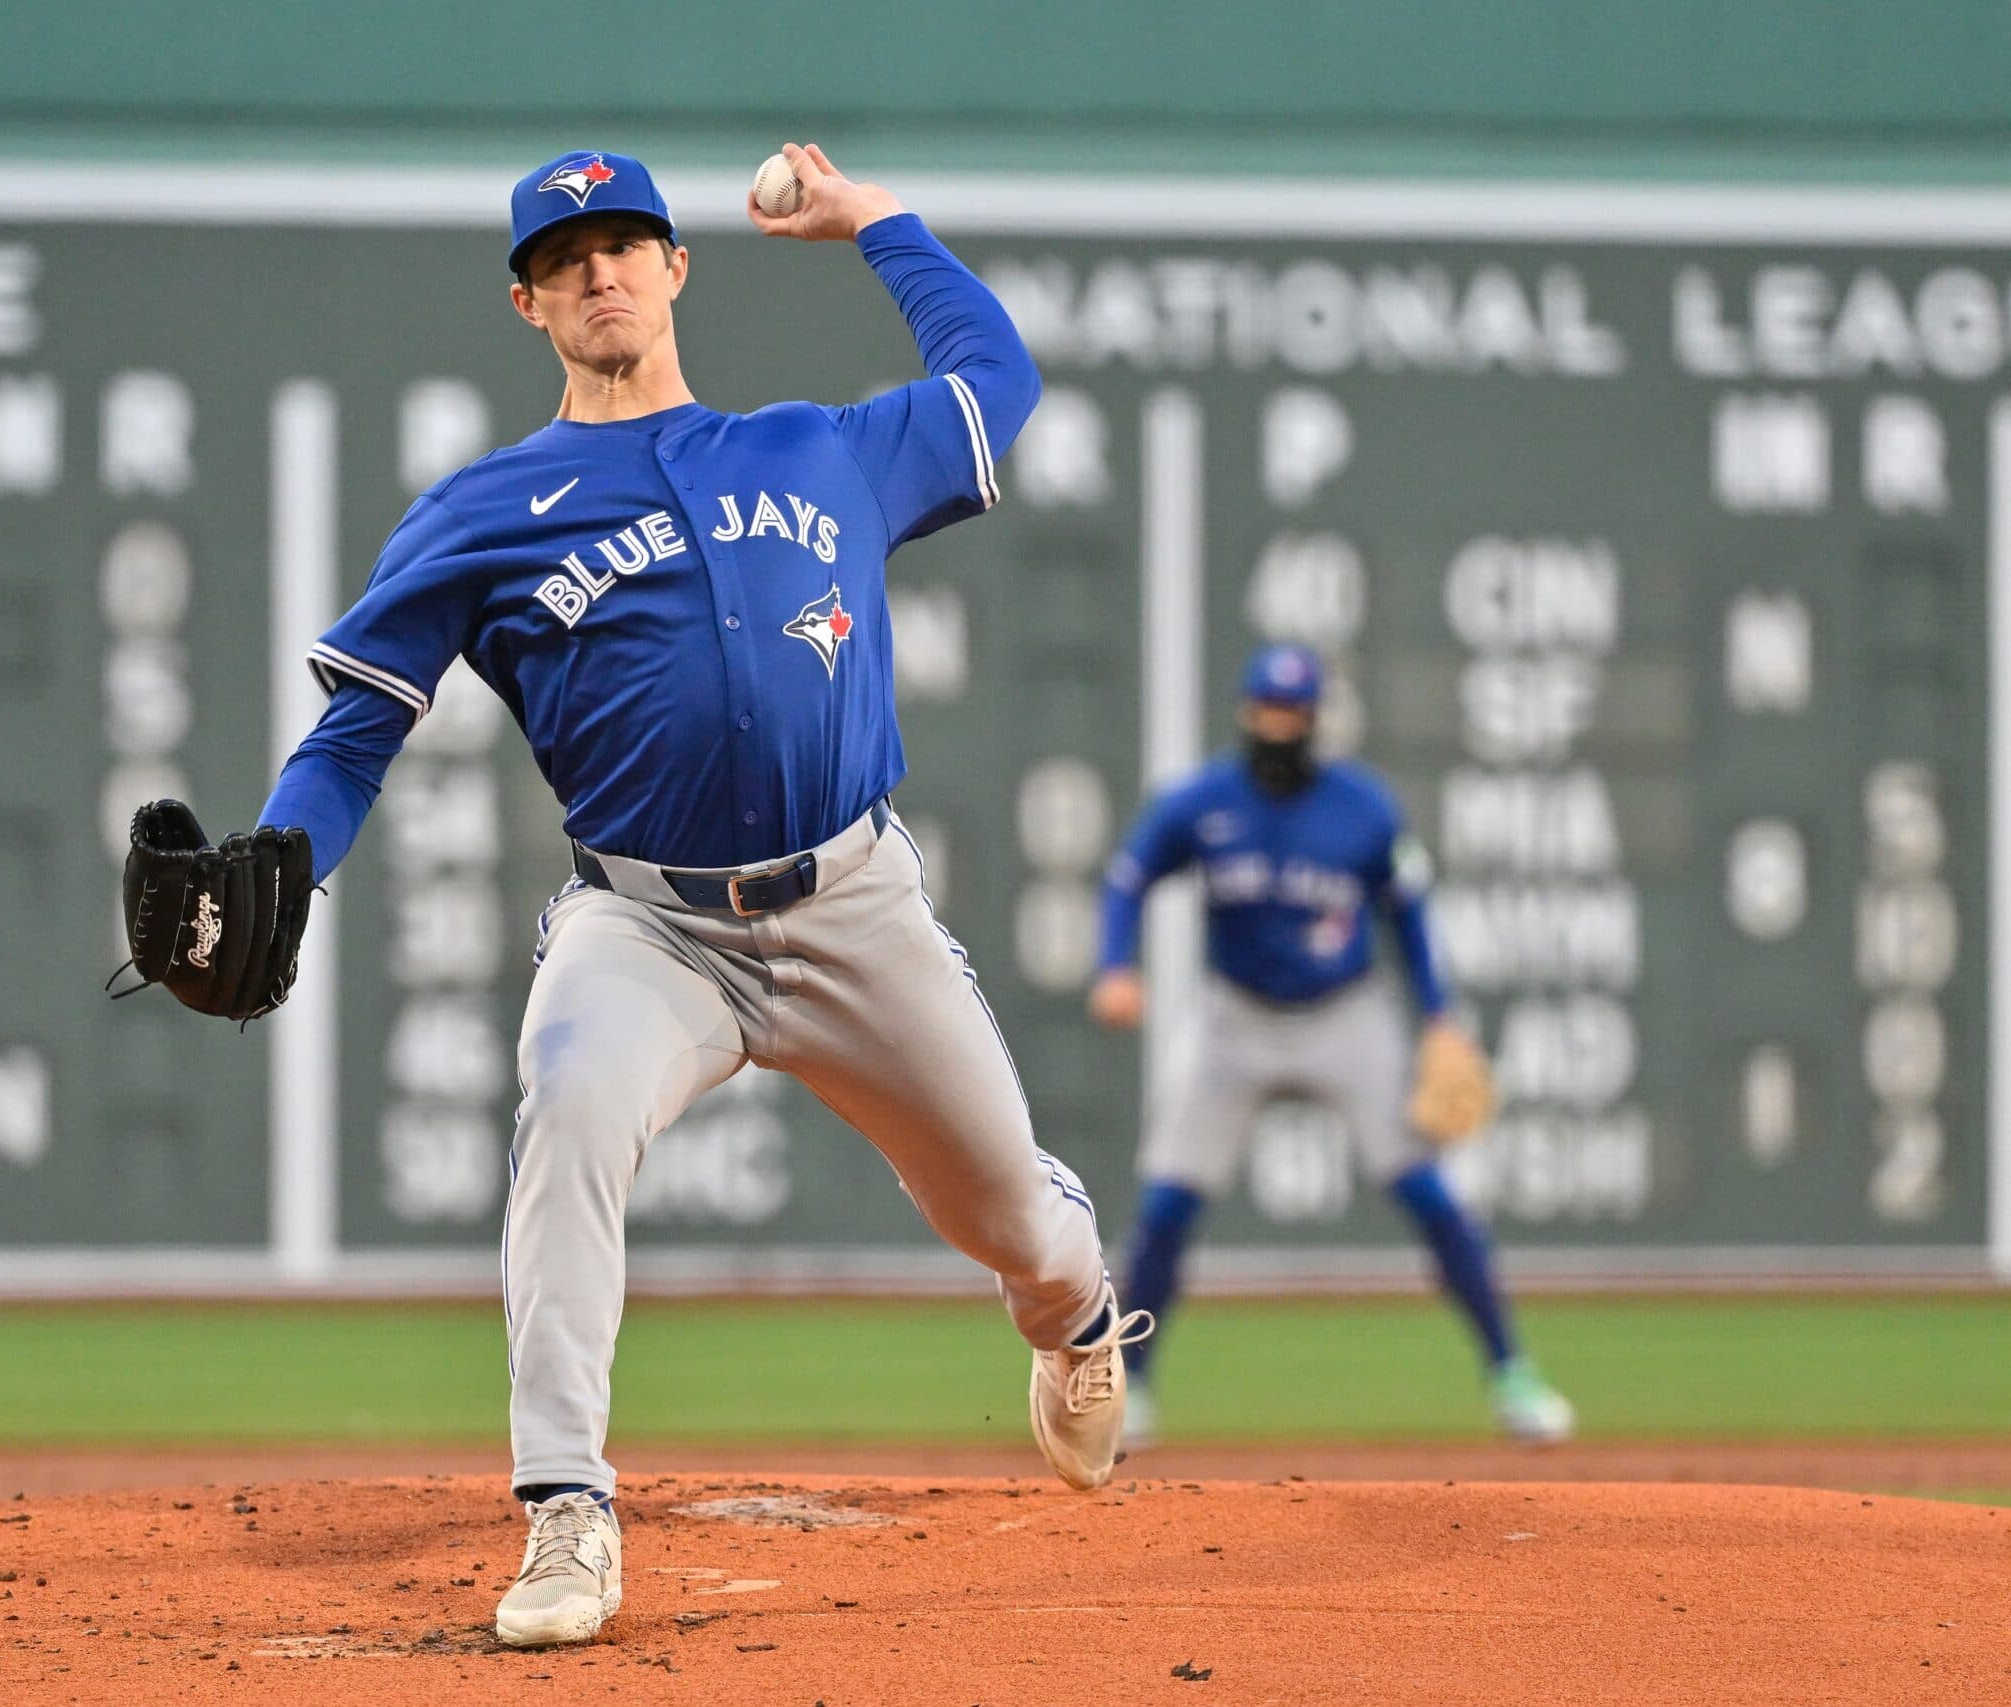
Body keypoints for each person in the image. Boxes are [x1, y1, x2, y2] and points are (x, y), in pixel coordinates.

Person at [256, 144, 1143, 1649]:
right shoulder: (483, 508)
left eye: (627, 242)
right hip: (645, 922)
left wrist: (876, 220)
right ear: (529, 301)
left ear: (678, 268)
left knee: (1008, 1210)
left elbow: (998, 378)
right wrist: (284, 856)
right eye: (568, 254)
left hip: (852, 899)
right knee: (570, 1100)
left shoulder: (821, 450)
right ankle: (565, 1508)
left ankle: (1073, 1319)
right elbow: (357, 726)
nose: (601, 268)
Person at [1088, 642, 1575, 1450]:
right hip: (1234, 1018)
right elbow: (1129, 875)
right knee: (1168, 1205)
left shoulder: (1364, 808)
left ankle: (1512, 1373)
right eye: (1264, 711)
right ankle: (1130, 1387)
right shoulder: (1205, 801)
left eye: (1292, 713)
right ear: (1246, 713)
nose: (1276, 726)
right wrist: (1115, 964)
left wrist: (1441, 1015)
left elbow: (1409, 917)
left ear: (1315, 720)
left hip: (1345, 1016)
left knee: (1430, 1197)